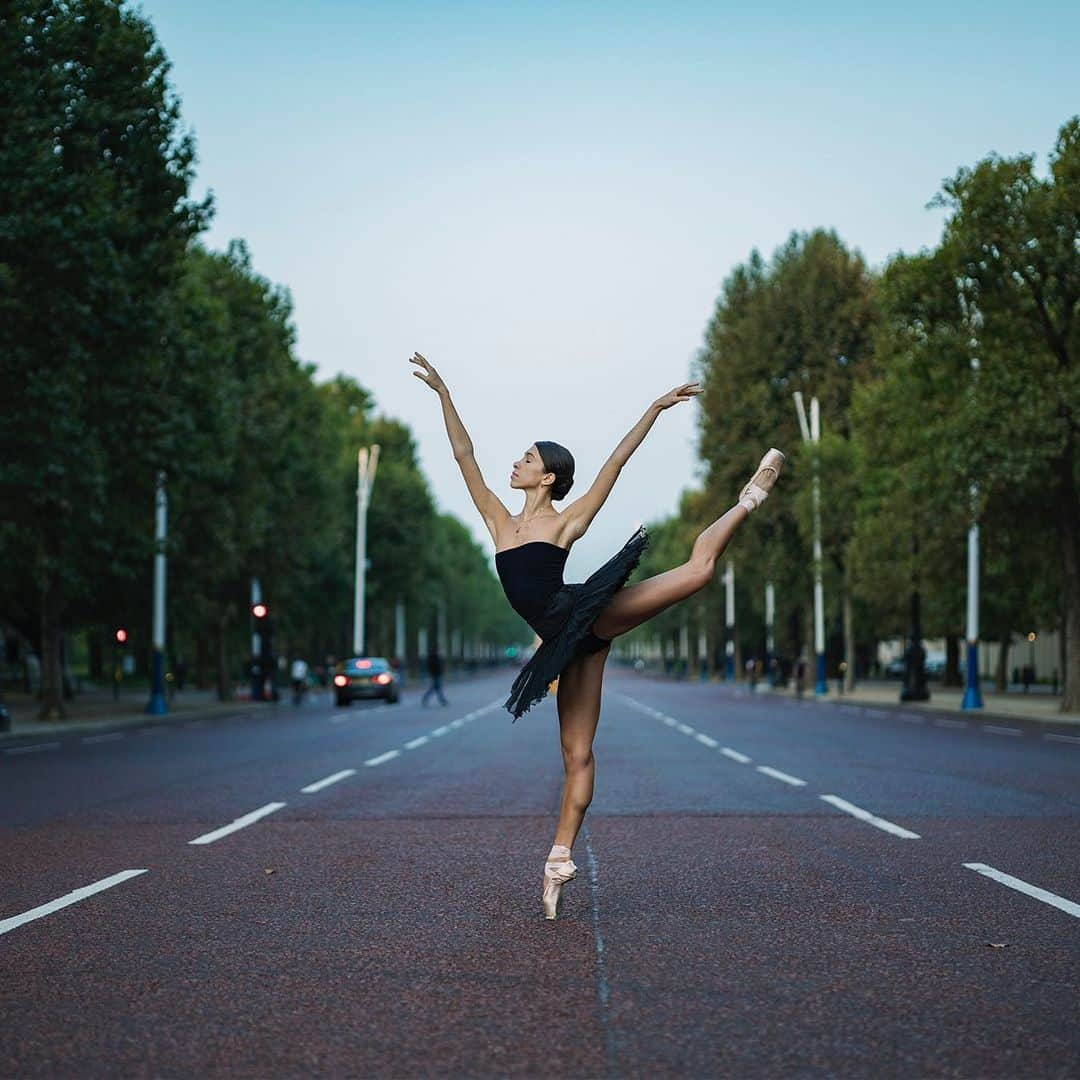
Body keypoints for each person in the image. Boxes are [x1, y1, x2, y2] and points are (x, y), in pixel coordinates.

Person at [411, 351, 784, 919]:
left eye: (527, 458)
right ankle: (558, 861)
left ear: (549, 476)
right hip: (566, 647)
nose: (515, 463)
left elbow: (615, 462)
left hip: (583, 614)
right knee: (577, 755)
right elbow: (463, 455)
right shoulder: (497, 519)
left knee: (699, 572)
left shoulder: (567, 520)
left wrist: (654, 410)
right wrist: (443, 393)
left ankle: (748, 500)